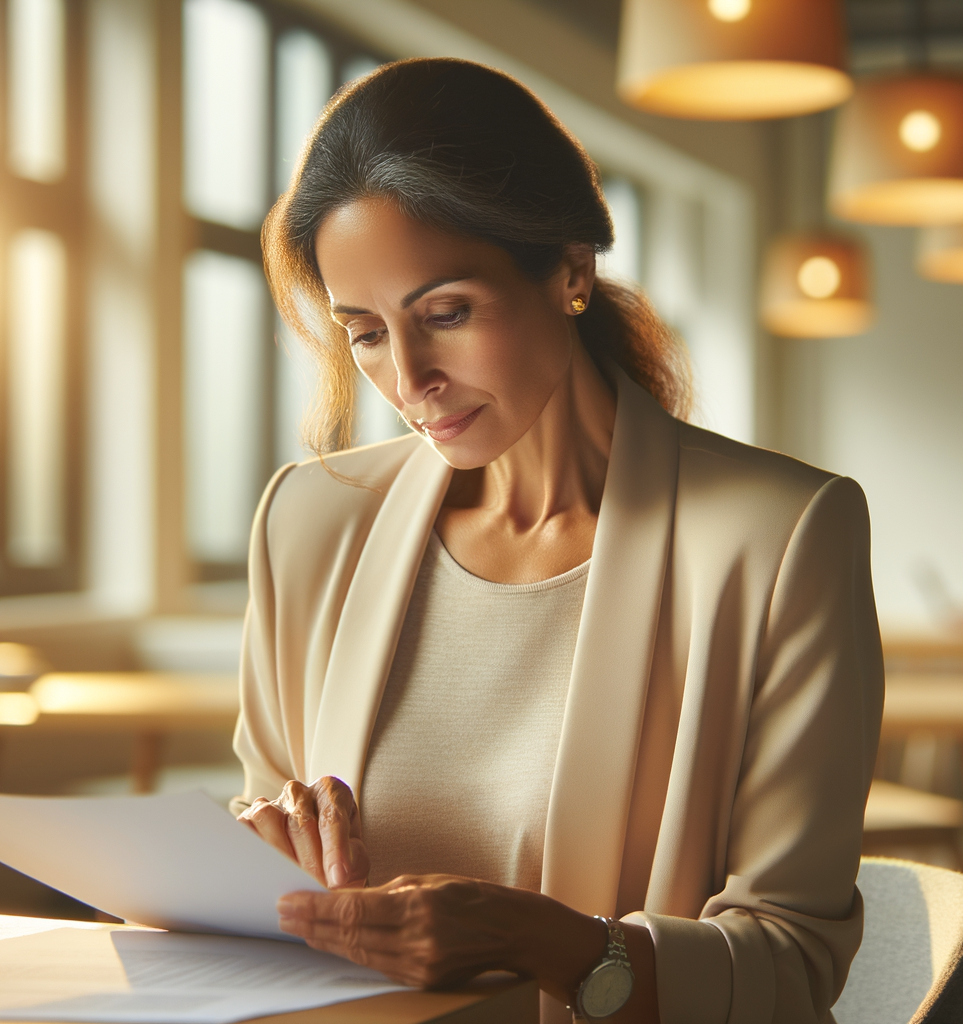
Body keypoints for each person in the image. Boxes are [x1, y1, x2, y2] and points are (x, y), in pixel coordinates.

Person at [229, 58, 883, 1024]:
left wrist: (544, 943)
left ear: (571, 271)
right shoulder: (308, 523)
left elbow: (793, 967)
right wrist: (264, 852)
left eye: (446, 313)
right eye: (364, 332)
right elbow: (264, 868)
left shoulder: (781, 537)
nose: (408, 379)